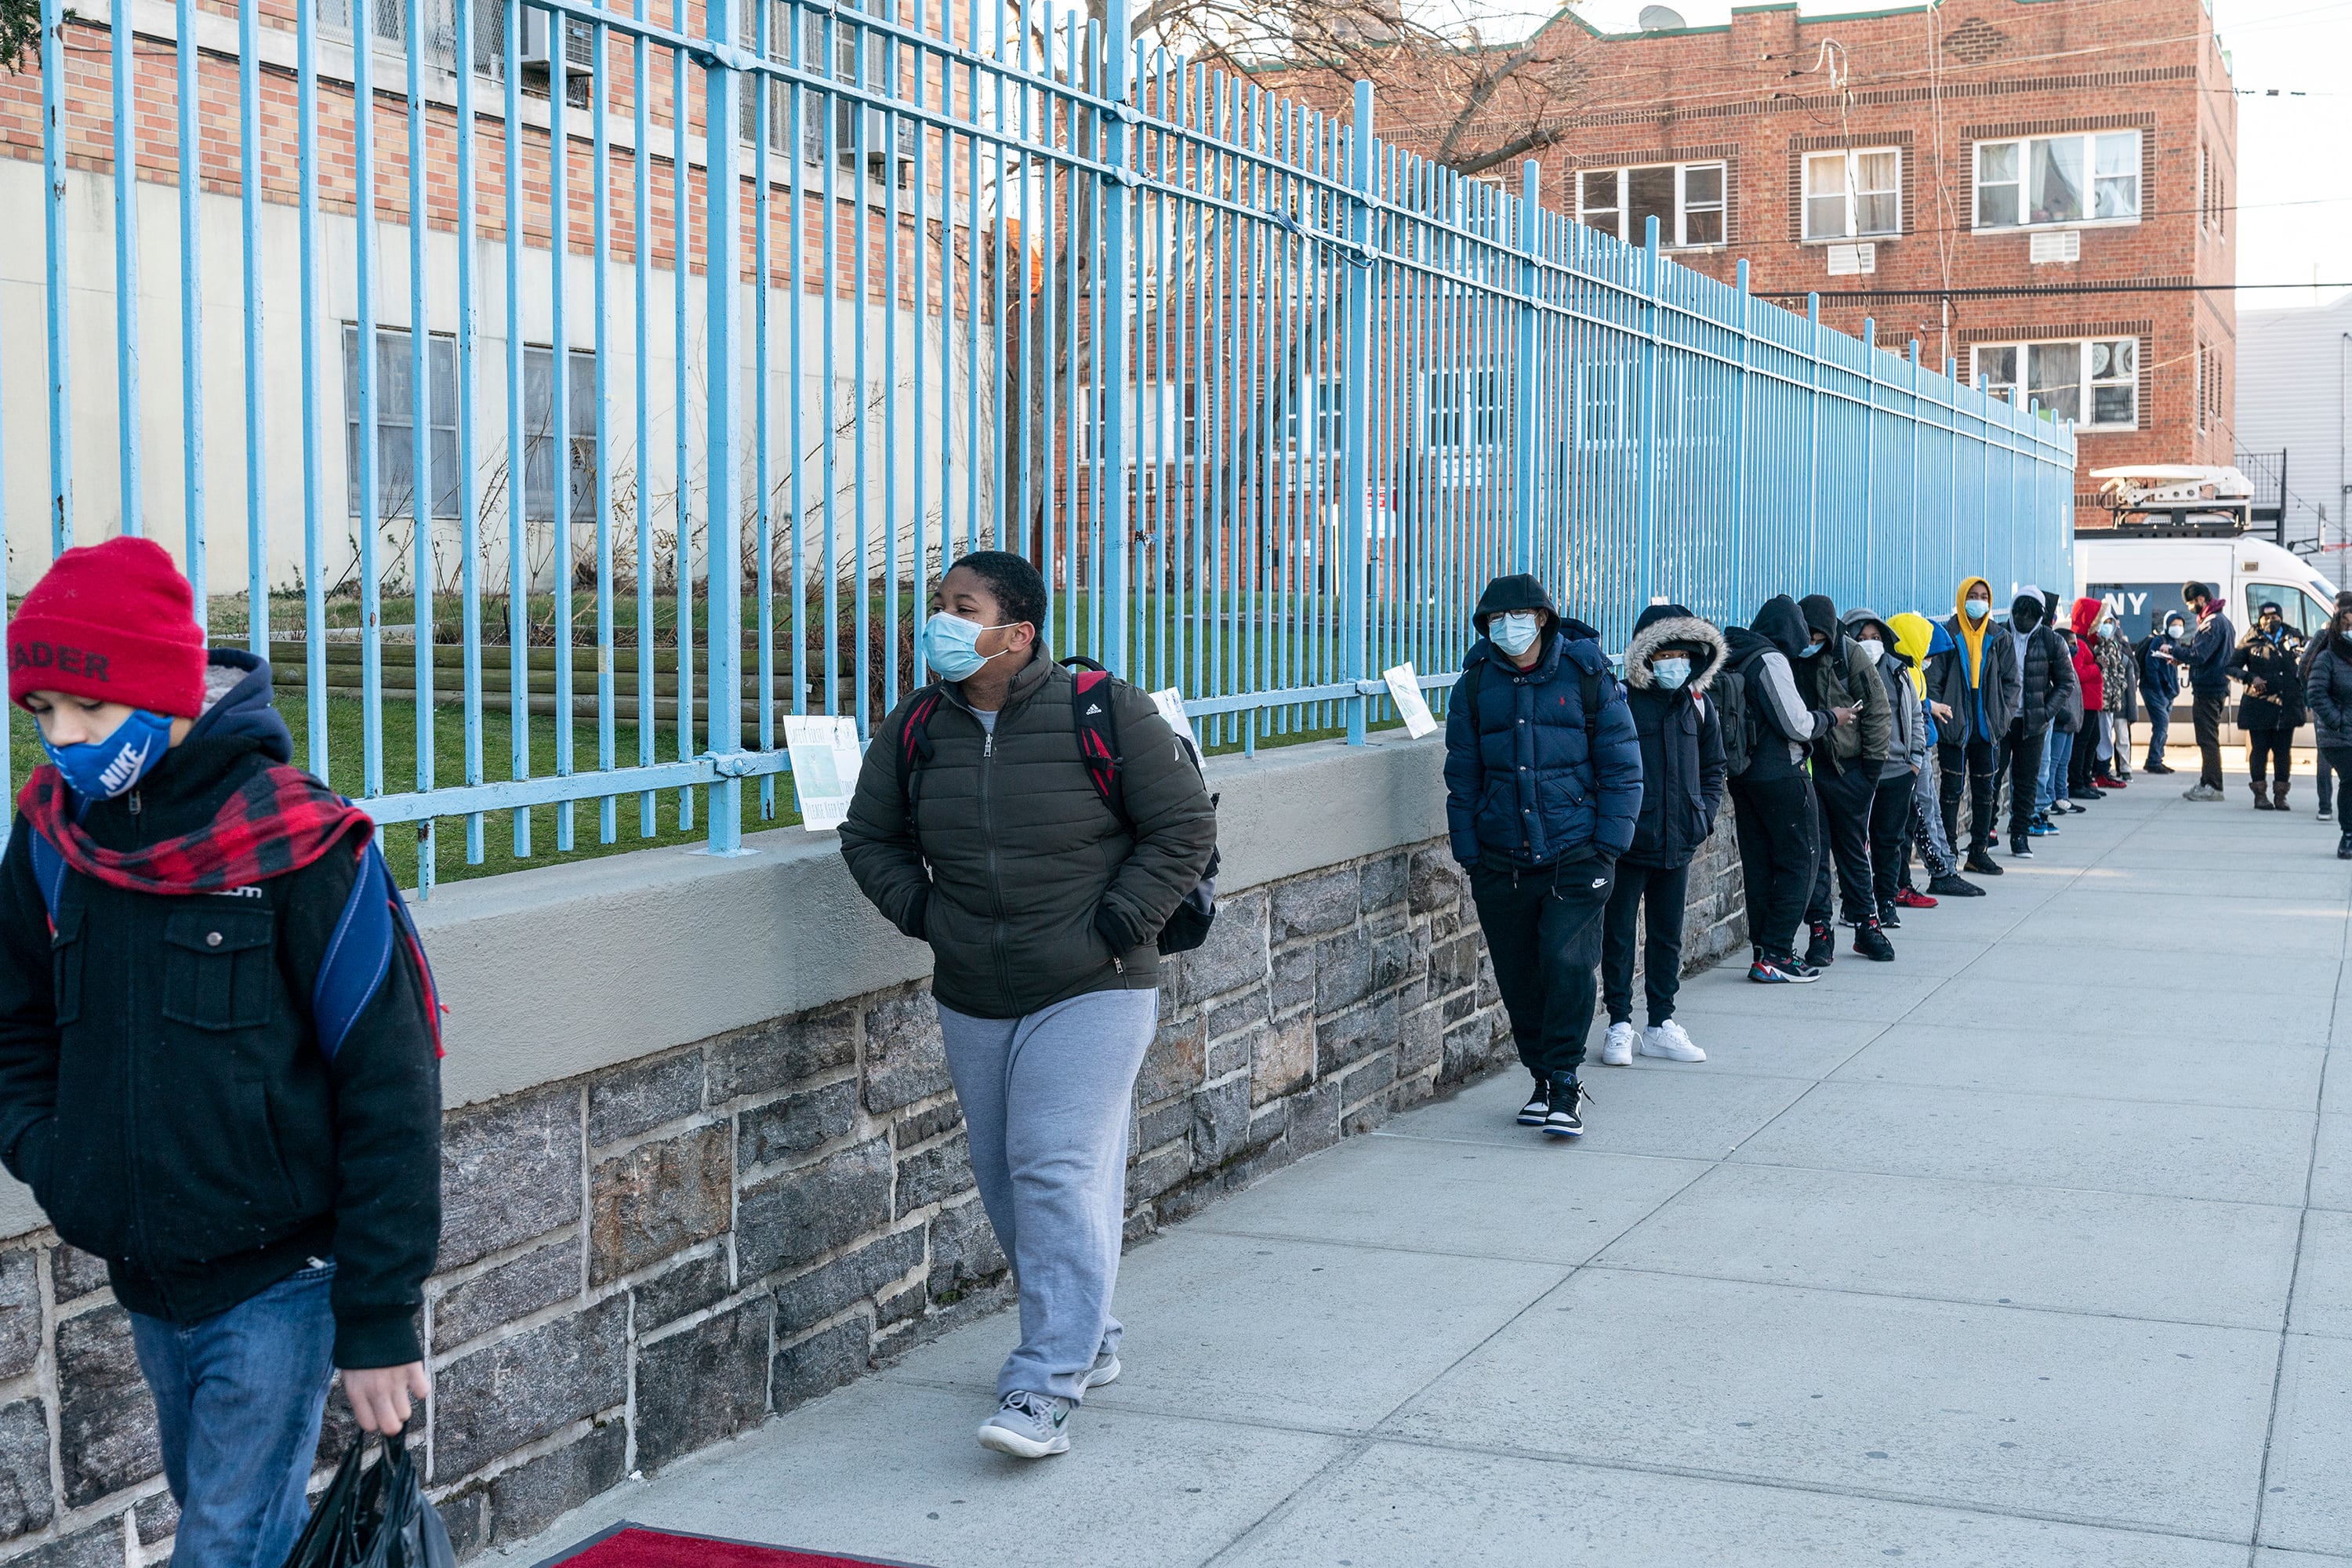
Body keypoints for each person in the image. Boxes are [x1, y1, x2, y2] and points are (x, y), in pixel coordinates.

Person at [0, 538, 442, 1564]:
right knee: (241, 1523)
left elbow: (392, 1087)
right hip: (150, 1278)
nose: (62, 740)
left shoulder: (301, 845)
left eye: (88, 711)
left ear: (163, 691)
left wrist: (377, 1318)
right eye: (41, 713)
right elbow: (14, 1025)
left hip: (281, 1279)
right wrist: (57, 1158)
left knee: (225, 1544)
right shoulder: (54, 842)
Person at [840, 551, 1218, 1459]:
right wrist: (929, 914)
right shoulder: (916, 727)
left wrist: (1117, 922)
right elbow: (869, 836)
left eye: (961, 607)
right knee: (1009, 1179)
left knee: (1052, 1164)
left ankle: (1045, 1381)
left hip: (1095, 981)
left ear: (1019, 631)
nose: (941, 620)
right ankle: (1093, 1333)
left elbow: (1183, 826)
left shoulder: (1103, 708)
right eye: (939, 605)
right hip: (975, 987)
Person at [1439, 575, 1642, 1137]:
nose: (1508, 627)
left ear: (1544, 617)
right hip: (1500, 858)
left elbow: (1623, 765)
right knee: (1520, 973)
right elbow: (1463, 775)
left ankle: (1564, 1083)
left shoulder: (1585, 673)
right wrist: (1471, 853)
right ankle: (1540, 1077)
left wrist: (1608, 846)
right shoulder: (1476, 684)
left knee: (1567, 963)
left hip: (1576, 852)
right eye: (1495, 620)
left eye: (1519, 615)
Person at [1599, 605, 1727, 1065]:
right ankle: (1618, 1023)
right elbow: (1605, 767)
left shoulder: (1699, 704)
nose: (1674, 662)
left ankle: (1661, 1022)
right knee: (1617, 935)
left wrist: (1704, 814)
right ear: (1646, 657)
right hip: (1632, 842)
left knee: (1666, 935)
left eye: (1682, 653)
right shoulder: (1623, 701)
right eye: (1664, 653)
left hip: (1680, 840)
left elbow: (1714, 767)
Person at [1722, 597, 1837, 982]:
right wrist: (1830, 718)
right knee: (1800, 858)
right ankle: (1778, 954)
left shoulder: (1734, 655)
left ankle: (1762, 951)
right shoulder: (1769, 659)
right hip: (1781, 776)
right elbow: (1797, 723)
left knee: (1759, 866)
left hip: (1744, 779)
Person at [1795, 595, 1893, 964]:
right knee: (1815, 854)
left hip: (1849, 771)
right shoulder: (1790, 656)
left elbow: (1879, 709)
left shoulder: (1849, 656)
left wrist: (1870, 770)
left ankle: (1868, 926)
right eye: (1809, 635)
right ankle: (1820, 930)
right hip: (1808, 771)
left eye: (1819, 637)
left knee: (1853, 851)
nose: (1812, 643)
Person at [1927, 576, 2020, 877]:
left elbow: (2012, 683)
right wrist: (1940, 714)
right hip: (1954, 725)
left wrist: (2002, 719)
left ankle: (1978, 852)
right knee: (1951, 792)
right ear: (1961, 598)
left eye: (1983, 596)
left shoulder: (1999, 637)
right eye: (1973, 595)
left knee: (1985, 792)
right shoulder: (1946, 635)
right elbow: (1933, 680)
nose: (1978, 601)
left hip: (1986, 727)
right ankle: (1949, 852)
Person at [1889, 613, 1981, 902]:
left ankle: (1943, 868)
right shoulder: (1903, 672)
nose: (1930, 659)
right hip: (1910, 758)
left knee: (1926, 814)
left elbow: (1915, 698)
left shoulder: (1911, 670)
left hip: (1917, 753)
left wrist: (1932, 705)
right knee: (1923, 814)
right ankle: (1941, 871)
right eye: (1927, 652)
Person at [1842, 610, 1923, 939]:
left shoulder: (1898, 671)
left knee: (1890, 842)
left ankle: (1886, 901)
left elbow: (1915, 715)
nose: (1870, 645)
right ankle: (1856, 905)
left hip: (1897, 772)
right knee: (1856, 843)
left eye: (1876, 638)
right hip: (1859, 771)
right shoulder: (1842, 673)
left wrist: (1914, 760)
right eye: (1862, 639)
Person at [2004, 591, 2080, 858]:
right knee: (1989, 779)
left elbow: (2065, 682)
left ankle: (2020, 835)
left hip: (2033, 724)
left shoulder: (2051, 641)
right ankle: (1985, 835)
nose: (2023, 620)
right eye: (2019, 614)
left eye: (2030, 616)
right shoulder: (2001, 637)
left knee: (2027, 781)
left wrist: (2045, 712)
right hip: (2002, 722)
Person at [2229, 600, 2308, 810]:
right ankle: (2260, 795)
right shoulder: (2251, 639)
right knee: (2259, 751)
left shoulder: (2294, 636)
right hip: (2259, 706)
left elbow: (2308, 661)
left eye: (2274, 617)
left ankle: (2281, 796)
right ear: (2259, 619)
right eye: (2266, 617)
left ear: (2281, 618)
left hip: (2286, 705)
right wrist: (2250, 678)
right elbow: (2231, 667)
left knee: (2283, 752)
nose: (2270, 621)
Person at [2305, 595, 2352, 855]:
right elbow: (2316, 693)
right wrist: (2337, 720)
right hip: (2339, 735)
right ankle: (2348, 836)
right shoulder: (2327, 658)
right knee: (2351, 780)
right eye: (2347, 626)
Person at [2181, 582, 2237, 801]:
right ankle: (2206, 781)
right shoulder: (2221, 621)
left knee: (2208, 739)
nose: (2190, 608)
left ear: (2201, 599)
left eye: (2190, 603)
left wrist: (2174, 651)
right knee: (2207, 737)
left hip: (2209, 688)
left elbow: (2199, 655)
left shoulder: (2212, 623)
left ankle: (2213, 785)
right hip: (2215, 686)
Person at [2066, 597, 2108, 803]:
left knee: (2092, 741)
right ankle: (2076, 782)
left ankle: (2084, 778)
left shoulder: (2086, 643)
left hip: (2092, 703)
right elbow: (2078, 674)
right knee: (2082, 743)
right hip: (2086, 703)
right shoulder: (2080, 644)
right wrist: (2098, 667)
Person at [2138, 611, 2187, 775]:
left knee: (2162, 727)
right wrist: (2159, 690)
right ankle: (2153, 761)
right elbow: (2151, 666)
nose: (2177, 628)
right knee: (2161, 725)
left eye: (2180, 625)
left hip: (2168, 692)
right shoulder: (2160, 640)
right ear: (2166, 625)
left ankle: (2157, 759)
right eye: (2174, 625)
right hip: (2154, 690)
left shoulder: (2176, 643)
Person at [2095, 609, 2136, 788]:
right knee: (2102, 737)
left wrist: (2120, 687)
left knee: (2120, 737)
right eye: (2105, 622)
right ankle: (2100, 770)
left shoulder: (2117, 647)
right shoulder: (2095, 645)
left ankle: (2118, 769)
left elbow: (2123, 671)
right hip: (2099, 700)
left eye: (2111, 623)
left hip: (2115, 700)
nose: (2108, 626)